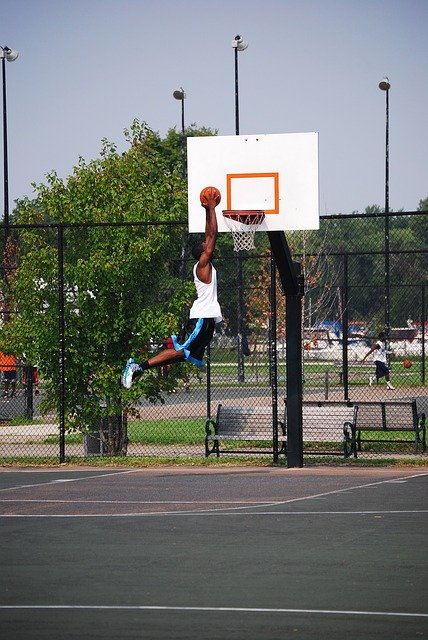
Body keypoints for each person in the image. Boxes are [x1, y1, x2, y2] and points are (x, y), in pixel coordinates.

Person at [122, 191, 222, 389]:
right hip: (201, 318)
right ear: (203, 253)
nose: (208, 245)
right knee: (180, 351)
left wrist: (206, 212)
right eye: (206, 246)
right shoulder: (202, 266)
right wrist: (212, 207)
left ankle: (139, 368)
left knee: (183, 355)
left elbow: (208, 234)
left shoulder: (204, 265)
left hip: (207, 320)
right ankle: (137, 367)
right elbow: (211, 235)